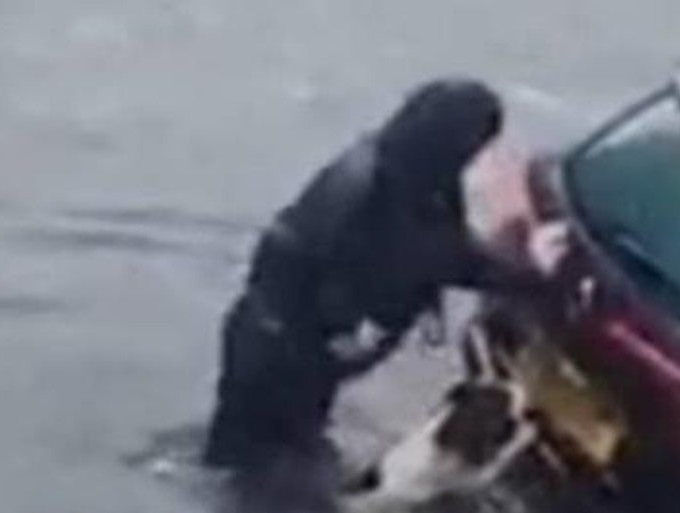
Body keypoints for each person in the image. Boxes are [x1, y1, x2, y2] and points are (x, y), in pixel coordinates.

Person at [203, 79, 544, 470]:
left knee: (249, 457)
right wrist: (535, 276)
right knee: (268, 471)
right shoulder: (386, 201)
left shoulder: (395, 167)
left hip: (272, 339)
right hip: (286, 359)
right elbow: (444, 257)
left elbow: (443, 245)